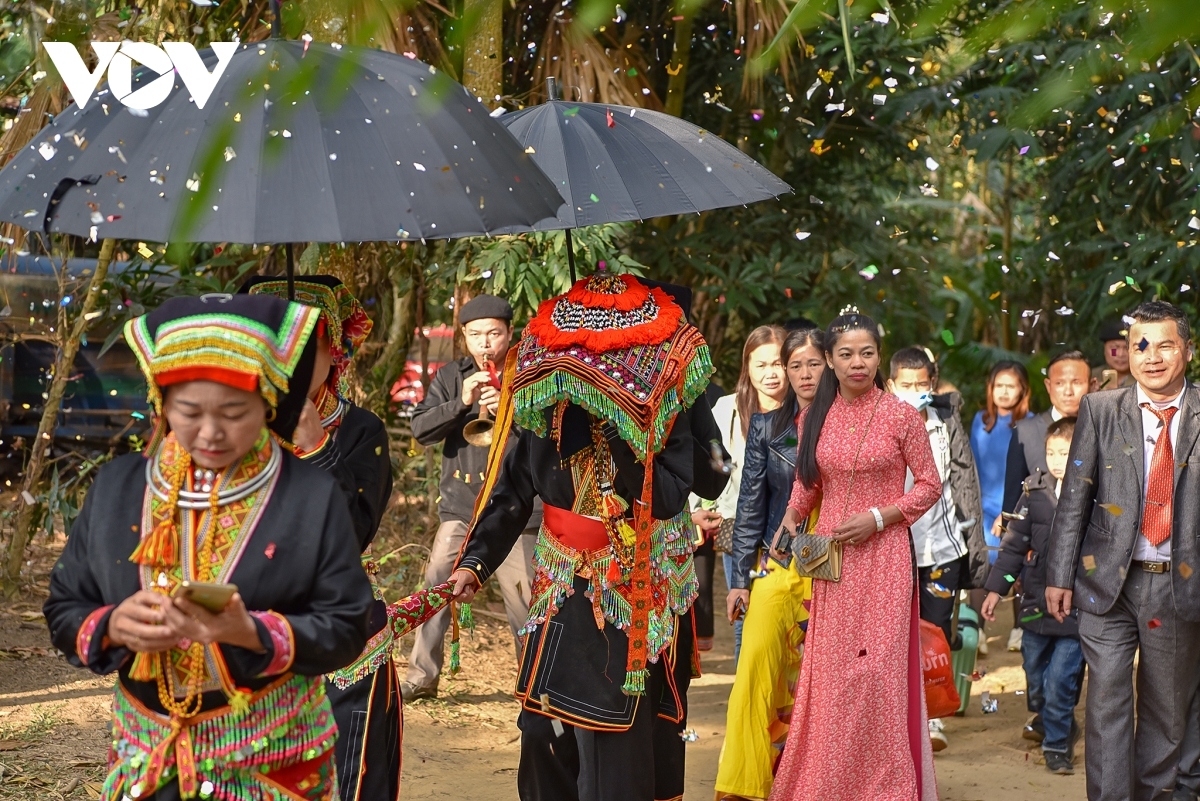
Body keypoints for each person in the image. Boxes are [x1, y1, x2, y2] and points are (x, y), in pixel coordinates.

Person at [44, 293, 374, 801]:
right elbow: (65, 605)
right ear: (162, 403)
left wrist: (252, 631)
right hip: (147, 760)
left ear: (268, 403)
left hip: (270, 761)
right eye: (189, 411)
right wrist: (111, 624)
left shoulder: (310, 494)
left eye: (235, 412)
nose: (211, 432)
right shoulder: (119, 488)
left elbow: (347, 625)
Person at [446, 271, 717, 801]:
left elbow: (669, 494)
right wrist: (472, 565)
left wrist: (621, 437)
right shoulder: (543, 403)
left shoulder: (662, 404)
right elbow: (511, 493)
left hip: (637, 590)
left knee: (618, 737)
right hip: (562, 584)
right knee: (543, 733)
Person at [768, 310, 942, 801]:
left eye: (867, 353)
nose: (857, 363)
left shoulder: (901, 416)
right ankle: (828, 784)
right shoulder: (813, 416)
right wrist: (784, 533)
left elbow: (930, 485)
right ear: (829, 359)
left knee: (877, 676)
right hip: (827, 558)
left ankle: (884, 788)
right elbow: (807, 485)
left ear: (879, 356)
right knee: (831, 679)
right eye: (845, 354)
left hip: (884, 559)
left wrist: (881, 517)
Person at [244, 276, 396, 801]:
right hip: (240, 628)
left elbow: (352, 534)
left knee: (345, 777)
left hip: (336, 633)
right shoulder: (222, 427)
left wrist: (314, 446)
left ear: (336, 352)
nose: (291, 358)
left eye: (309, 345)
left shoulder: (361, 433)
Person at [1046, 300, 1200, 801]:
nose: (1150, 356)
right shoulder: (1100, 409)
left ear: (1188, 351)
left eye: (1164, 345)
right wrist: (1059, 574)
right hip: (1106, 581)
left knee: (1165, 710)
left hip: (1178, 585)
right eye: (1140, 345)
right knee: (1107, 701)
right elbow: (1076, 495)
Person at [405, 294, 540, 701]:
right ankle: (421, 676)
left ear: (509, 333)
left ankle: (532, 682)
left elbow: (549, 438)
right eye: (476, 335)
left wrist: (511, 414)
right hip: (461, 506)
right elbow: (420, 430)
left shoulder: (529, 374)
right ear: (463, 336)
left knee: (523, 601)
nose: (486, 345)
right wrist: (460, 403)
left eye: (494, 334)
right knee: (436, 588)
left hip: (517, 512)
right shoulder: (450, 376)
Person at [714, 326, 823, 801]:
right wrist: (739, 580)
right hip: (779, 564)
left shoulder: (852, 421)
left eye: (809, 363)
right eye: (792, 364)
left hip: (838, 568)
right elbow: (751, 507)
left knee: (820, 684)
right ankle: (742, 786)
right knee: (754, 668)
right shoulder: (765, 426)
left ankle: (814, 782)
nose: (799, 373)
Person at [887, 346, 988, 753]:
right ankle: (894, 715)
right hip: (894, 545)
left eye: (922, 385)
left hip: (942, 546)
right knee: (893, 631)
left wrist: (974, 542)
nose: (915, 392)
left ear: (933, 382)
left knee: (935, 631)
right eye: (906, 385)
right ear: (891, 385)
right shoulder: (878, 422)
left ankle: (930, 718)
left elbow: (964, 479)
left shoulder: (945, 421)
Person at [982, 417, 1084, 776]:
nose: (1057, 460)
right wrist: (997, 588)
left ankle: (1056, 747)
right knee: (1036, 680)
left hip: (1076, 610)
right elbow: (1013, 547)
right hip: (1034, 603)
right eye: (1052, 452)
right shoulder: (1035, 490)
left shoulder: (1096, 491)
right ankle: (1061, 724)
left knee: (1060, 681)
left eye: (1065, 452)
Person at [690, 324, 787, 658]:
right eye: (761, 365)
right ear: (748, 367)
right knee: (744, 614)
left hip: (790, 533)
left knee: (790, 621)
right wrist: (696, 507)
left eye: (778, 363)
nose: (771, 373)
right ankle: (748, 696)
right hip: (740, 530)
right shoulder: (727, 410)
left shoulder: (804, 411)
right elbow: (709, 463)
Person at [1001, 350, 1090, 652]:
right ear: (1048, 386)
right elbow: (1012, 498)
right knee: (1036, 650)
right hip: (1038, 561)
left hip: (1088, 567)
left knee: (1074, 649)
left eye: (1076, 382)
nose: (1068, 390)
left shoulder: (1103, 429)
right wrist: (1012, 565)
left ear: (1091, 384)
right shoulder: (1026, 432)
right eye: (1060, 382)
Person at [969, 361, 1033, 560]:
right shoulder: (981, 420)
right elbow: (972, 469)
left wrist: (1008, 514)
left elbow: (1032, 477)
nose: (1004, 392)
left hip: (1013, 512)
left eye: (1011, 386)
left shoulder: (1031, 423)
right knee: (979, 577)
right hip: (980, 512)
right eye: (999, 386)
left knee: (1005, 575)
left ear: (1022, 390)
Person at [1091, 316, 1136, 391]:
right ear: (1104, 349)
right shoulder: (1092, 377)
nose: (1121, 354)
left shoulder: (1143, 379)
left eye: (1127, 348)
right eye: (1114, 349)